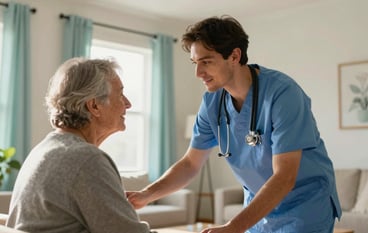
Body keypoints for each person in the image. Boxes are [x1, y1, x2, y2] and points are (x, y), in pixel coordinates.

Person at [127, 16, 342, 233]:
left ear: (234, 56)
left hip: (303, 206)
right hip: (258, 206)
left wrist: (233, 227)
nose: (198, 73)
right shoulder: (212, 102)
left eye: (206, 61)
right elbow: (190, 164)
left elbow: (285, 177)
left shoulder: (283, 94)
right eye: (195, 63)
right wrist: (147, 194)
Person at [6, 58, 150, 233]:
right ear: (94, 106)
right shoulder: (86, 159)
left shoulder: (44, 149)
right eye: (120, 95)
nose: (128, 103)